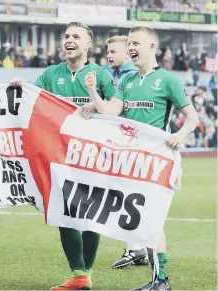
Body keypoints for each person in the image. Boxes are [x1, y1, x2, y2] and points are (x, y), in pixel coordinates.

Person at [80, 26, 199, 291]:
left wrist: (179, 134)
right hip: (131, 161)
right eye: (129, 43)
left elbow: (193, 118)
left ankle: (161, 280)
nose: (131, 48)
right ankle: (156, 276)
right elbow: (111, 113)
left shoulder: (168, 80)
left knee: (153, 219)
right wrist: (92, 92)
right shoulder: (127, 82)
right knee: (143, 220)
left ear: (152, 47)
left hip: (157, 160)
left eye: (136, 43)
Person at [10, 22, 115, 290]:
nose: (69, 40)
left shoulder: (100, 75)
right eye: (67, 36)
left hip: (93, 155)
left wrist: (97, 104)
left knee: (92, 214)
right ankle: (79, 273)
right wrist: (19, 86)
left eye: (76, 36)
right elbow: (31, 97)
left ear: (89, 44)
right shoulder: (50, 74)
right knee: (64, 211)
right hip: (60, 156)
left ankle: (85, 273)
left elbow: (116, 111)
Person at [105, 36, 150, 269]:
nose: (109, 55)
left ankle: (138, 249)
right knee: (126, 197)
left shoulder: (131, 76)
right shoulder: (115, 73)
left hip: (137, 146)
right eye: (107, 51)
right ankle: (138, 248)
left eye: (113, 51)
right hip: (125, 144)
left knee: (131, 198)